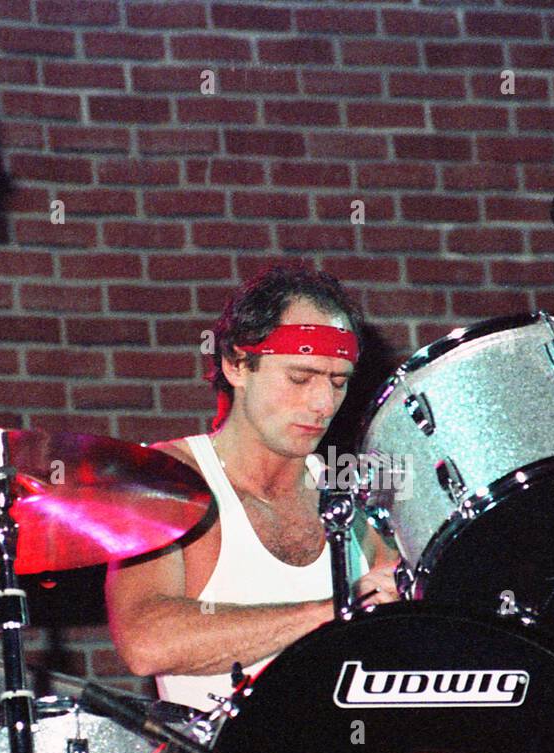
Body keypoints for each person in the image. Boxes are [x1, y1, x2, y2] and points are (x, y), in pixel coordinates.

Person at [107, 265, 401, 712]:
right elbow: (145, 640)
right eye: (300, 378)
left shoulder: (353, 492)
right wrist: (334, 612)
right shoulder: (167, 478)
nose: (323, 404)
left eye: (337, 382)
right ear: (237, 364)